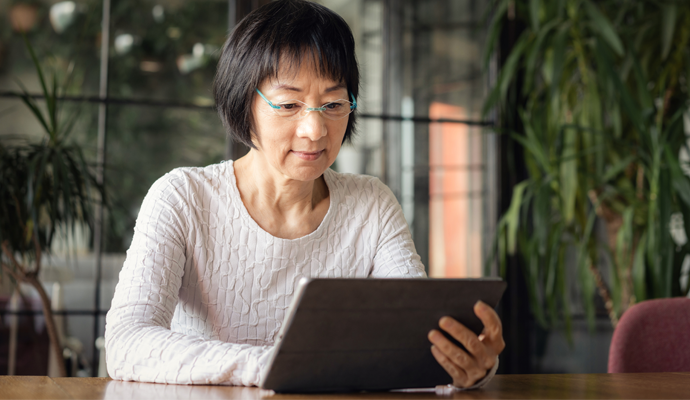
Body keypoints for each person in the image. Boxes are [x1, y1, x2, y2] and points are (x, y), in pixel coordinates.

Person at [104, 0, 504, 389]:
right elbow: (127, 343)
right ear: (244, 103)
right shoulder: (182, 198)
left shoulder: (372, 205)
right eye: (289, 104)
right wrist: (273, 366)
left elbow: (413, 343)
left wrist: (467, 367)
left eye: (333, 103)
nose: (315, 130)